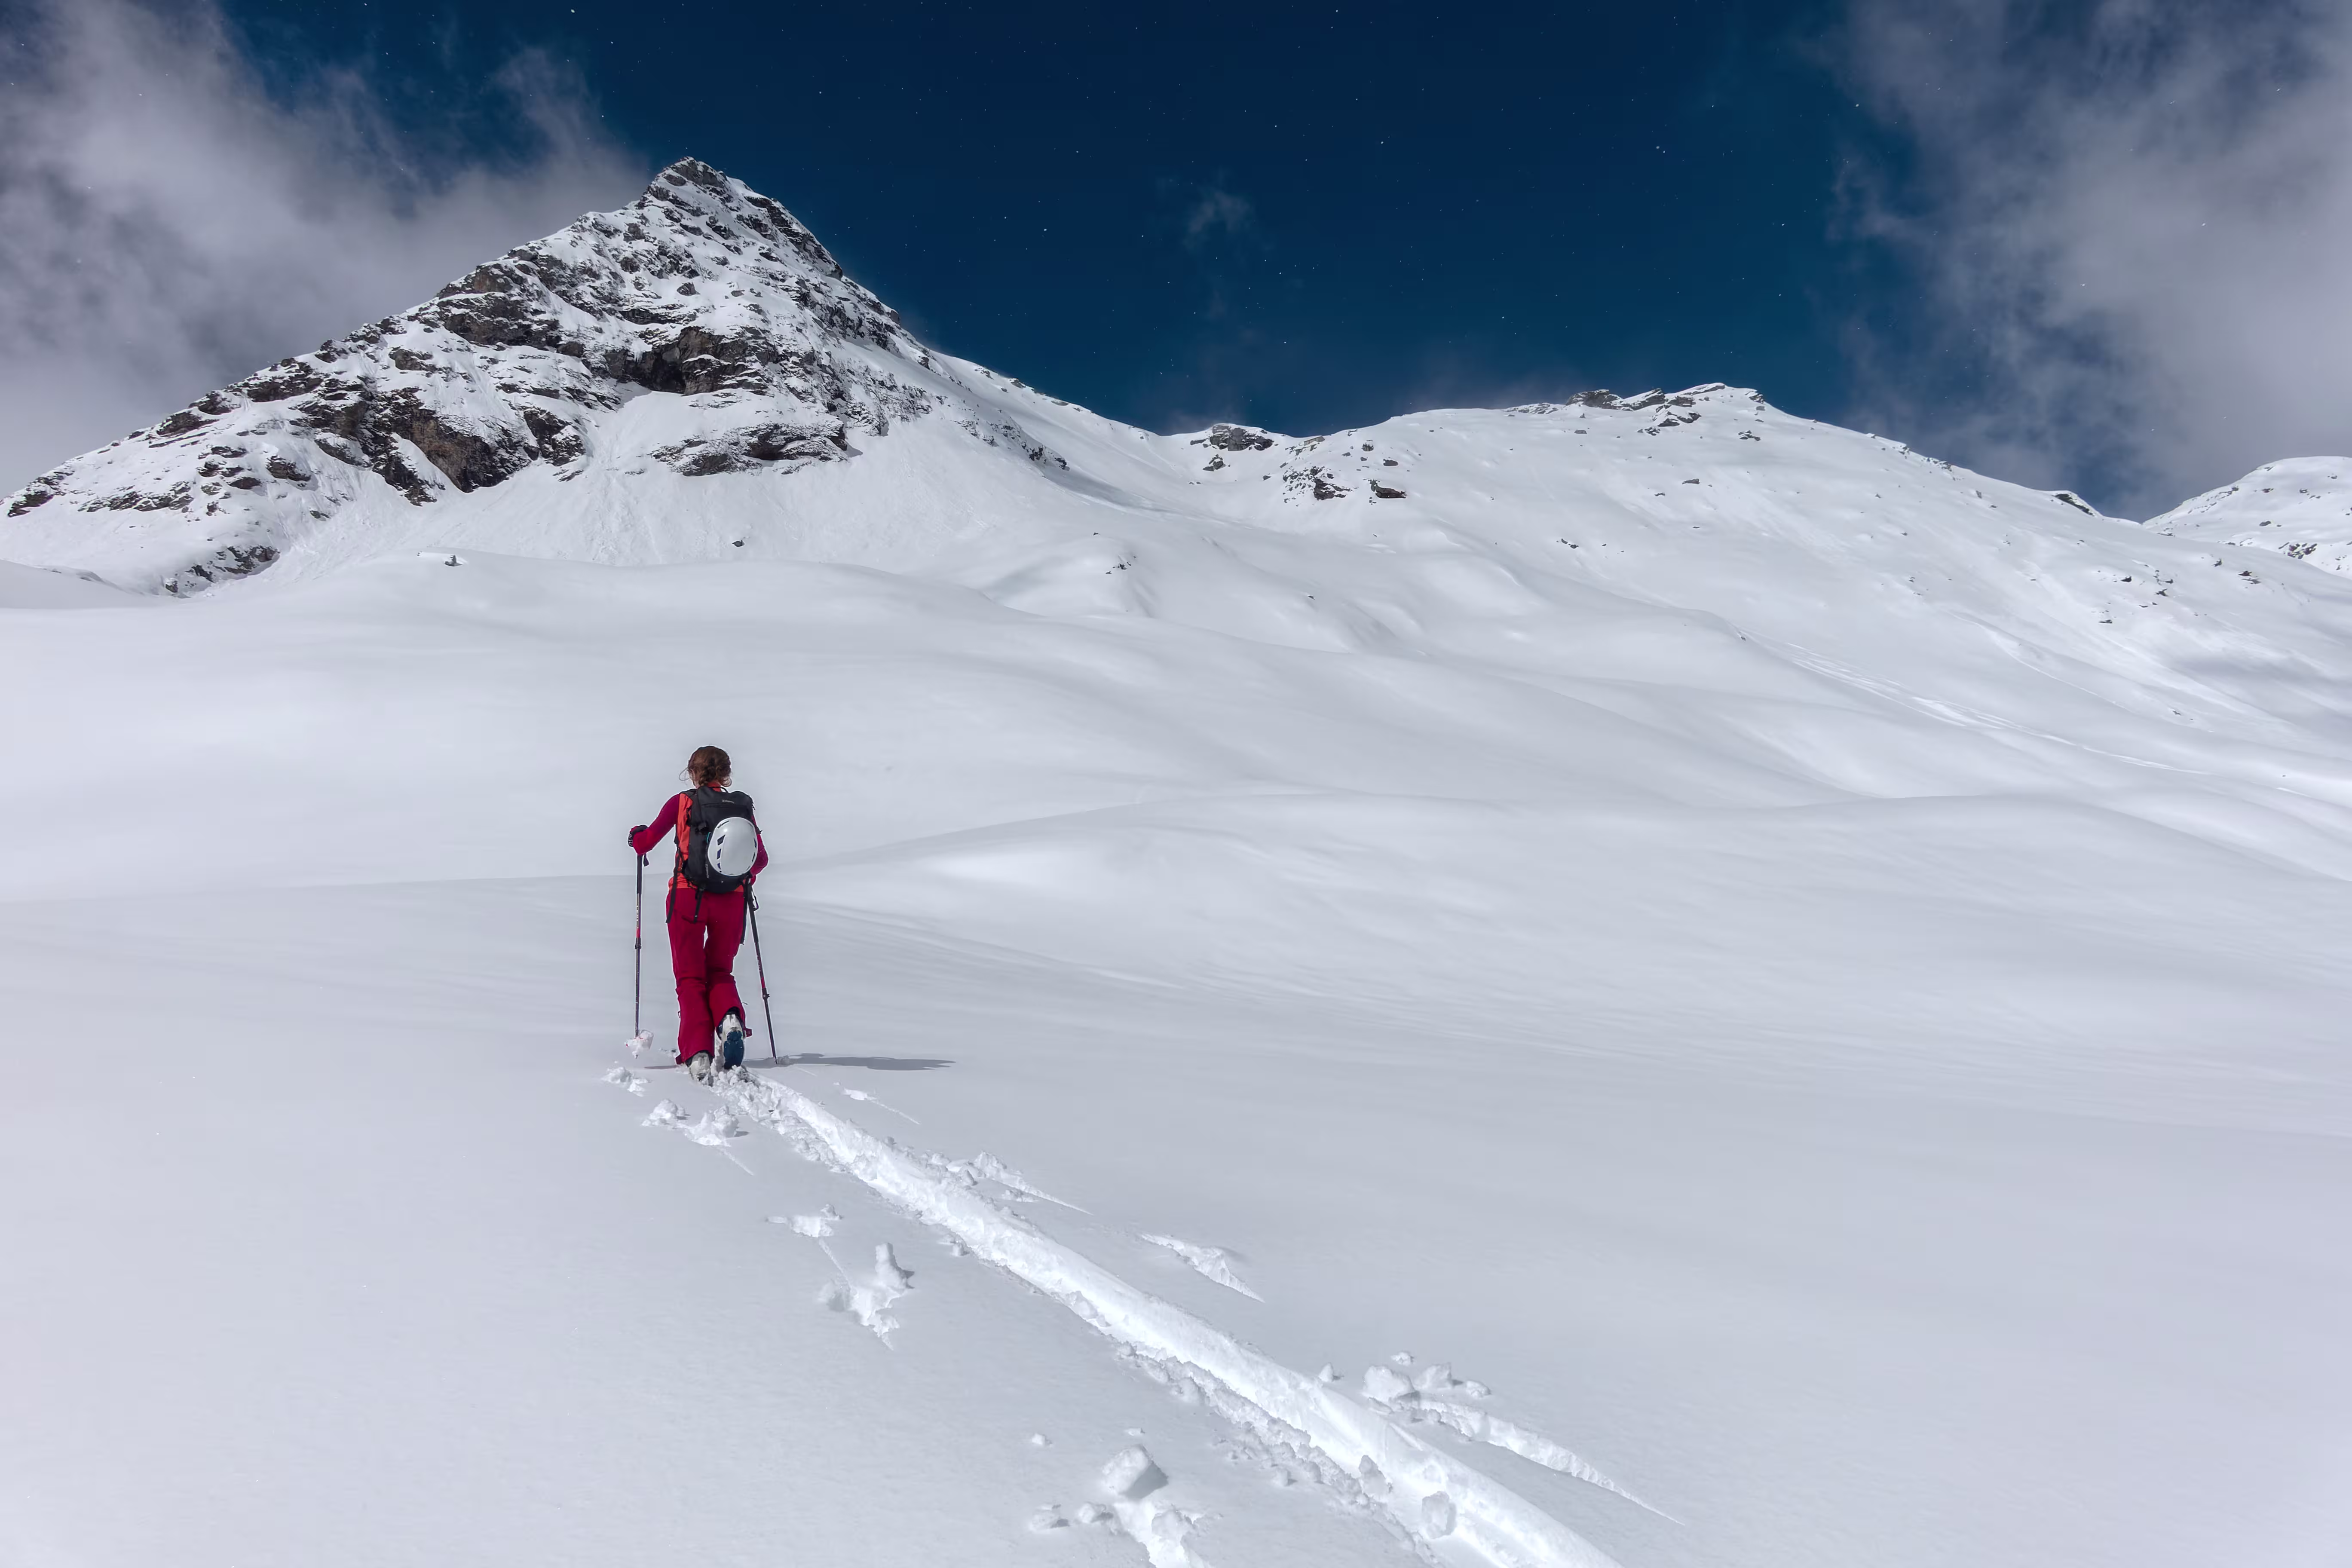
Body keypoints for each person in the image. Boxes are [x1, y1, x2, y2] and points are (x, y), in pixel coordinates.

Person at [628, 744, 769, 1081]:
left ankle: (698, 1053)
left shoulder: (682, 803)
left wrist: (635, 838)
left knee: (690, 978)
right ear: (727, 772)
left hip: (688, 898)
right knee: (721, 970)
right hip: (732, 900)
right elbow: (759, 860)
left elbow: (646, 842)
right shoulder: (742, 808)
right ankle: (730, 1019)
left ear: (693, 772)